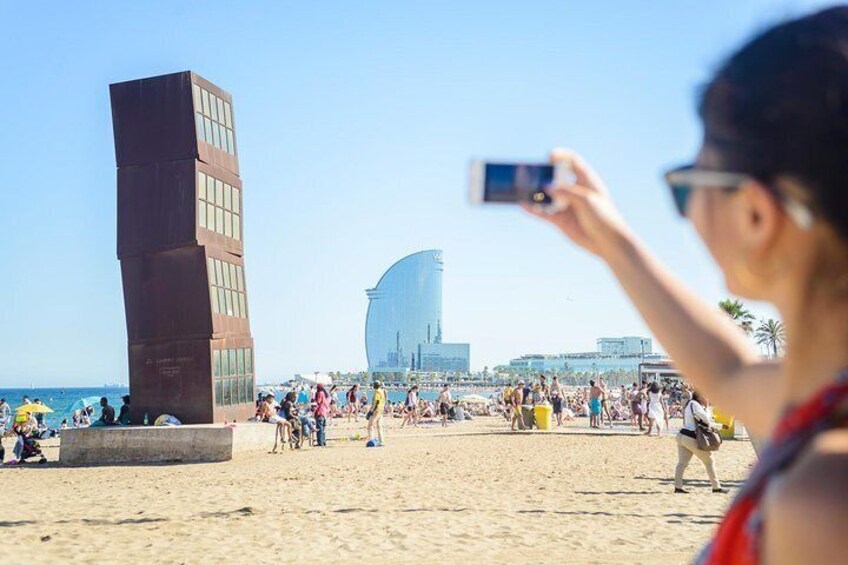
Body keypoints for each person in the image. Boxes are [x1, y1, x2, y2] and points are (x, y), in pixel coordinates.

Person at [524, 8, 848, 561]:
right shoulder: (818, 401)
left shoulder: (822, 506)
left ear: (755, 215)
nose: (687, 213)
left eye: (687, 186)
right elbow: (728, 371)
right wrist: (612, 243)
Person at [675, 392, 726, 493]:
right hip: (690, 437)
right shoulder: (695, 404)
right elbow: (706, 420)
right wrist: (706, 407)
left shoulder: (689, 404)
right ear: (700, 396)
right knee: (709, 461)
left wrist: (719, 425)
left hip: (682, 435)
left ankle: (678, 487)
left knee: (682, 463)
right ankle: (716, 487)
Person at [367, 381, 386, 445]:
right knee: (379, 426)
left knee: (370, 426)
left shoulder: (377, 391)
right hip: (381, 409)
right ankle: (381, 441)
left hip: (377, 410)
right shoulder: (382, 391)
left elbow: (376, 402)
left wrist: (371, 411)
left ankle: (371, 440)